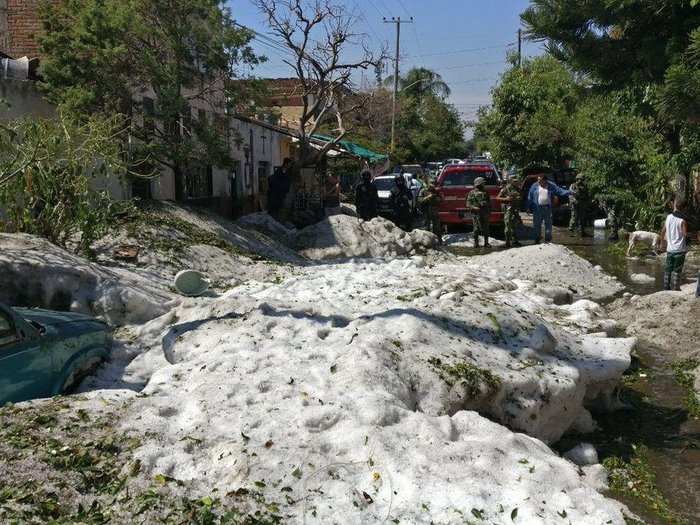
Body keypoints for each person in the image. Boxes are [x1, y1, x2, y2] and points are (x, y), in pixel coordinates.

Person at [527, 174, 571, 243]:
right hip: (537, 208)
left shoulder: (551, 185)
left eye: (540, 180)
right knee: (537, 224)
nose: (538, 181)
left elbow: (560, 191)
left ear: (545, 180)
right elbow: (530, 196)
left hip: (547, 208)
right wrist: (528, 207)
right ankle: (537, 239)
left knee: (548, 224)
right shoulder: (534, 185)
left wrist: (569, 192)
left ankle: (547, 240)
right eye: (538, 180)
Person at [660, 200, 689, 291]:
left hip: (670, 249)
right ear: (684, 208)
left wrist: (662, 243)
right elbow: (685, 235)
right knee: (677, 269)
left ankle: (666, 287)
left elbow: (663, 231)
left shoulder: (668, 217)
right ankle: (676, 288)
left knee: (668, 268)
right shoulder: (682, 220)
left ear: (675, 206)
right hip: (680, 249)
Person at [496, 176, 522, 248]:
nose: (516, 182)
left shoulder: (518, 189)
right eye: (514, 181)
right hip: (508, 209)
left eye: (517, 181)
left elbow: (520, 198)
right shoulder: (505, 189)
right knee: (508, 225)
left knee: (514, 226)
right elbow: (497, 198)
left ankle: (514, 241)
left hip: (516, 210)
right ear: (510, 181)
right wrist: (506, 199)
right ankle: (507, 242)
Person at [466, 177, 492, 248]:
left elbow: (489, 202)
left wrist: (486, 205)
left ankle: (486, 243)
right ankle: (476, 243)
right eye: (483, 183)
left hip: (484, 213)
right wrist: (474, 208)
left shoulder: (485, 192)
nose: (484, 184)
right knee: (476, 229)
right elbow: (468, 204)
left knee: (486, 228)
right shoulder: (472, 193)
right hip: (476, 214)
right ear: (479, 184)